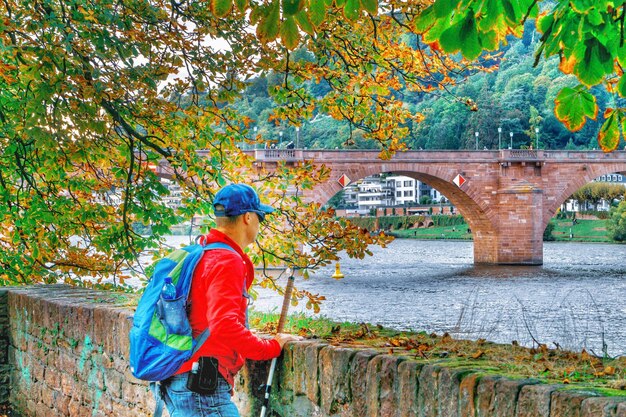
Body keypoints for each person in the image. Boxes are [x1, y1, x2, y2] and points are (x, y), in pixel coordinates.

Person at [154, 183, 298, 417]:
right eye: (260, 217)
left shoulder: (203, 253)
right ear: (248, 218)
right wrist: (269, 347)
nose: (259, 224)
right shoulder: (226, 261)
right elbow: (224, 325)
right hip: (202, 388)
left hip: (180, 378)